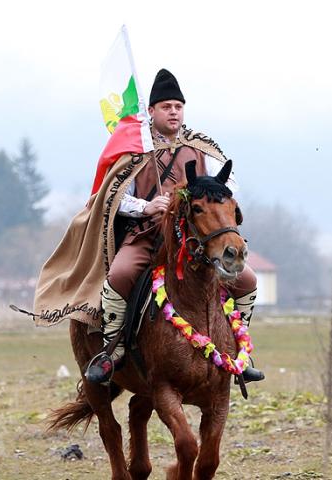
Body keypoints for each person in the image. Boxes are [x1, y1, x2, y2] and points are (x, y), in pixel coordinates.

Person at [84, 69, 264, 384]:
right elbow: (114, 196)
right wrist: (147, 205)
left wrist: (210, 192)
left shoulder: (201, 146)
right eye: (166, 106)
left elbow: (229, 183)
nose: (173, 112)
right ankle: (113, 350)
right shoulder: (132, 147)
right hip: (146, 233)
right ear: (151, 111)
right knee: (120, 275)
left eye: (178, 106)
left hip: (193, 237)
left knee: (246, 278)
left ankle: (240, 350)